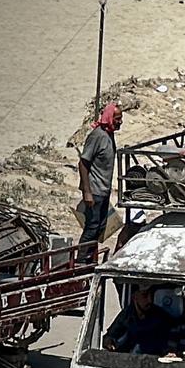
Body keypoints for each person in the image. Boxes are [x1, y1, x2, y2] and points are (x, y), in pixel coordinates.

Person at [77, 103, 122, 261]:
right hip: (95, 190)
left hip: (103, 190)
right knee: (92, 227)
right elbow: (83, 163)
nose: (120, 122)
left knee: (100, 227)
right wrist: (87, 192)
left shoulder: (109, 135)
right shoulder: (97, 136)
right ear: (109, 118)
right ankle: (81, 260)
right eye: (117, 119)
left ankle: (90, 258)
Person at [103, 286, 171, 355]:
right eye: (144, 295)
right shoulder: (127, 314)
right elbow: (111, 335)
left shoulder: (160, 317)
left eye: (151, 295)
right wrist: (109, 341)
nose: (150, 300)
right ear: (134, 297)